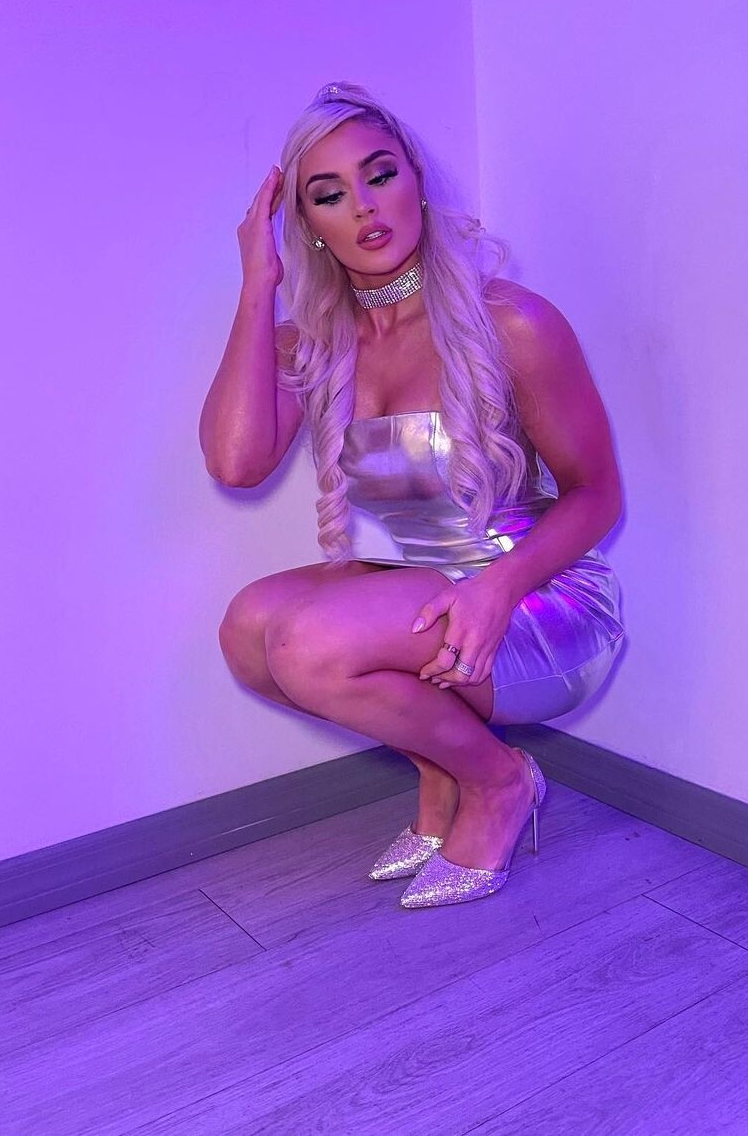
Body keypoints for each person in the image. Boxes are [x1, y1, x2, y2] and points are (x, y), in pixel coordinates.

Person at [200, 81, 625, 909]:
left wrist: (495, 591)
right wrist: (258, 282)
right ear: (307, 225)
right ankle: (441, 774)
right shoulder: (317, 342)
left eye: (380, 174)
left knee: (310, 645)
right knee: (249, 630)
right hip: (420, 592)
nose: (364, 206)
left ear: (416, 181)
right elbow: (235, 461)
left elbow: (598, 495)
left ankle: (498, 782)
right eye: (328, 194)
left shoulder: (512, 322)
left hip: (530, 598)